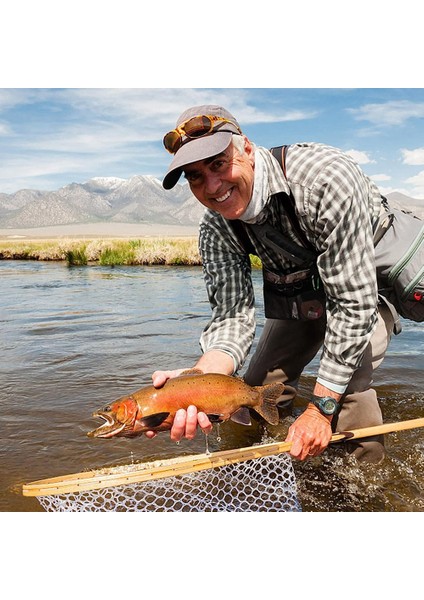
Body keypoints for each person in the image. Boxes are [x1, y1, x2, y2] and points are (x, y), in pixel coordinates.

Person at [148, 104, 396, 464]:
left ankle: (366, 489)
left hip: (367, 284)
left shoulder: (325, 179)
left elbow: (353, 306)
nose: (212, 186)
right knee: (255, 388)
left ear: (247, 148)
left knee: (348, 391)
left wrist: (320, 410)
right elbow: (231, 318)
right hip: (307, 290)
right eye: (195, 176)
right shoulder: (216, 228)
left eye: (218, 163)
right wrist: (199, 382)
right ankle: (250, 467)